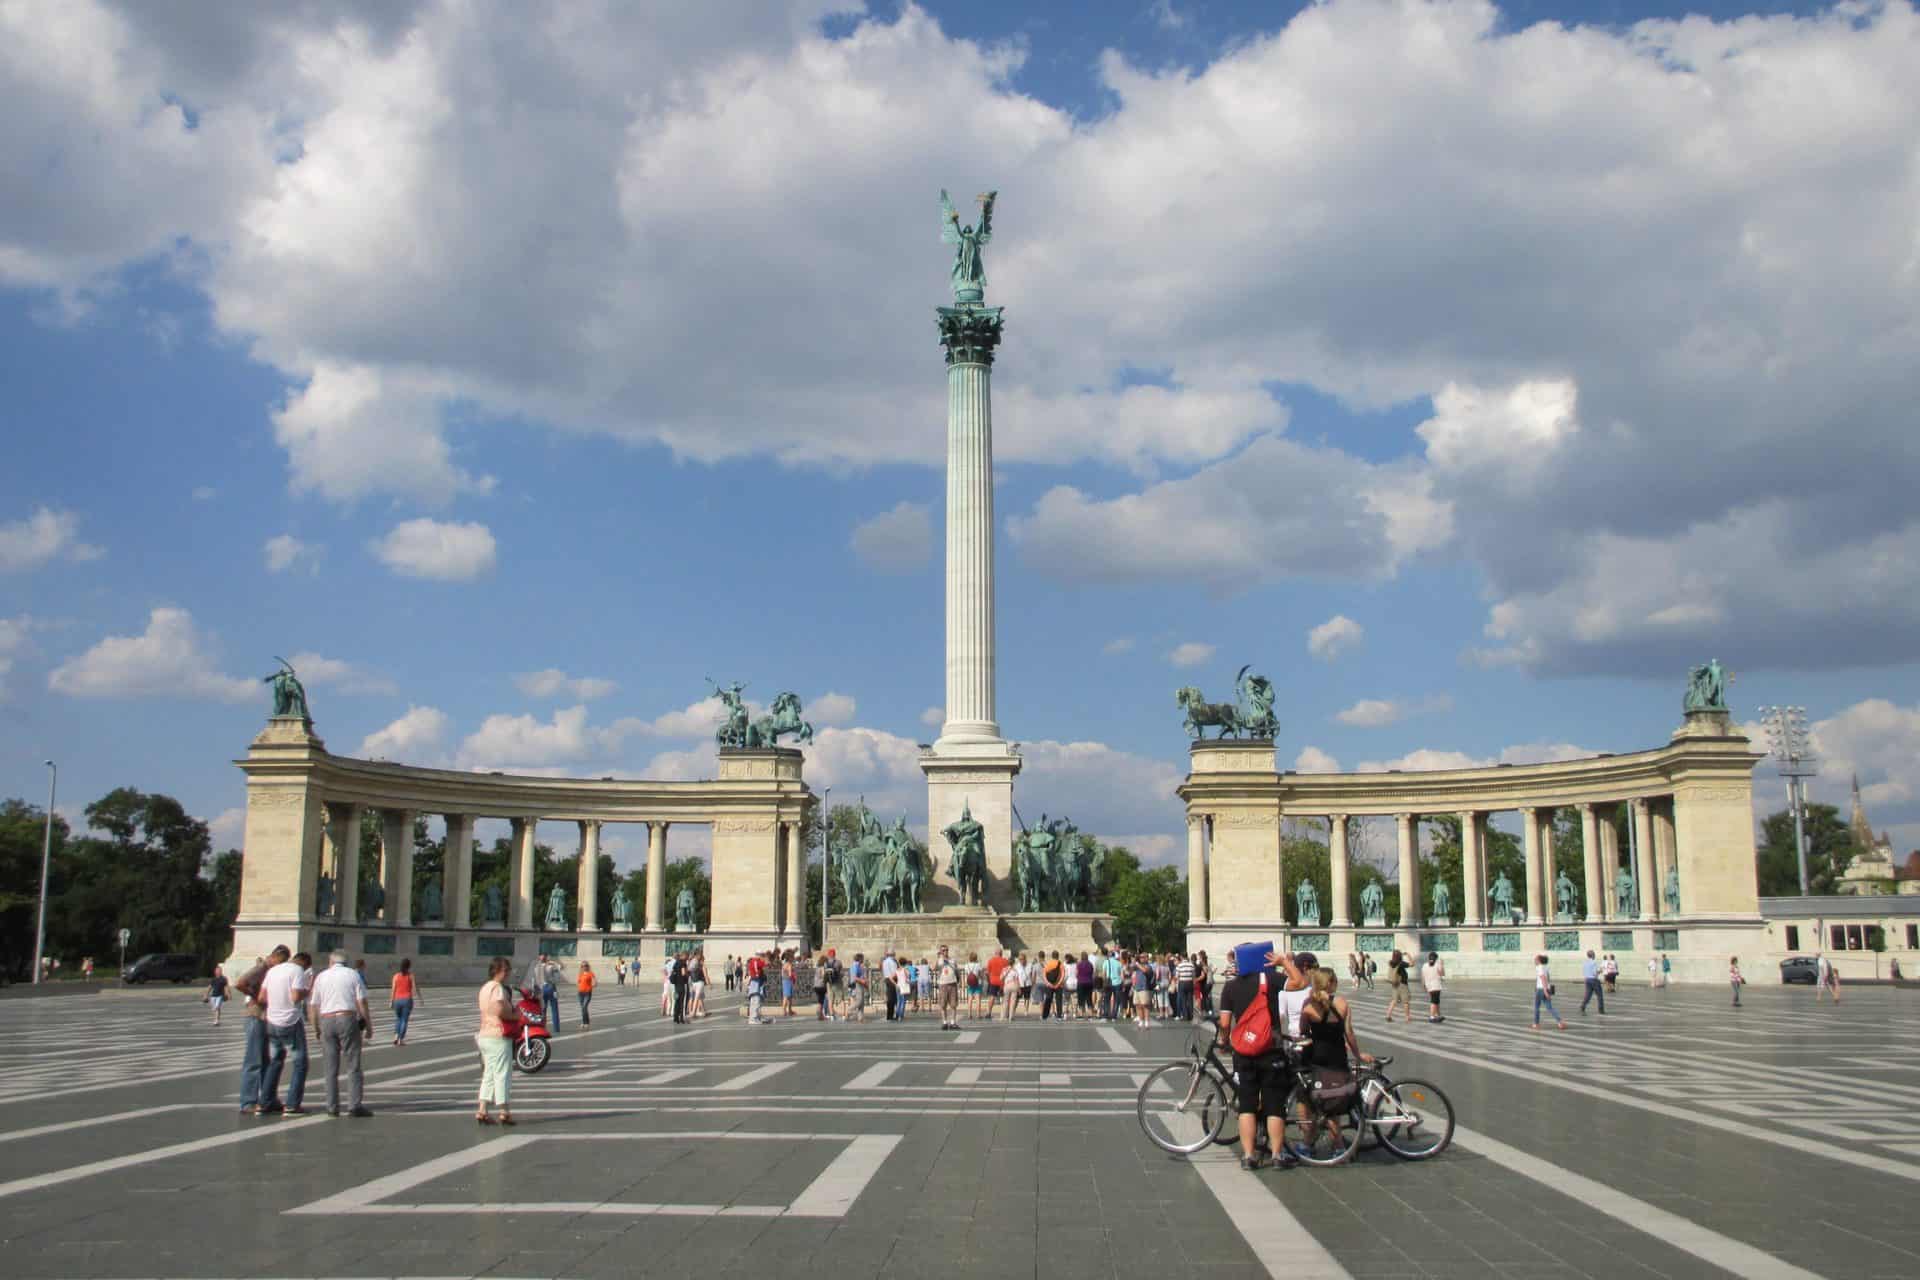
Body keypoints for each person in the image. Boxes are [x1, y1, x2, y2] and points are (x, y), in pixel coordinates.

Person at [1216, 947, 1310, 1170]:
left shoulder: (1230, 987)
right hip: (1271, 1049)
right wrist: (1284, 962)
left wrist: (1224, 1041)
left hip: (1244, 1052)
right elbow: (1300, 983)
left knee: (1247, 1104)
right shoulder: (1271, 978)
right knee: (1274, 1105)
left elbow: (1225, 1023)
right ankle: (1277, 1156)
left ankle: (1248, 1156)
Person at [1296, 966, 1373, 1158]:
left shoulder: (1308, 1005)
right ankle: (1338, 1146)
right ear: (1331, 983)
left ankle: (1310, 1143)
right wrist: (1357, 1054)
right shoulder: (1342, 1003)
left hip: (1317, 1059)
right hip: (1338, 1058)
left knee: (1313, 1100)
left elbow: (1303, 1033)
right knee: (1334, 1101)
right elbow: (1349, 1034)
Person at [310, 951, 374, 1118]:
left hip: (327, 1020)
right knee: (353, 1064)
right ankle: (354, 1105)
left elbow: (314, 1005)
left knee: (330, 1067)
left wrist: (315, 1027)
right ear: (346, 962)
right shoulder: (353, 974)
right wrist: (368, 1024)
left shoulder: (321, 976)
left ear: (330, 961)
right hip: (347, 1018)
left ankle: (332, 1107)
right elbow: (361, 1001)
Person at [259, 949, 313, 1114]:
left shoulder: (273, 971)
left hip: (272, 1020)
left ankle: (265, 1102)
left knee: (275, 1061)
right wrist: (307, 991)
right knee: (300, 1063)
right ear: (303, 964)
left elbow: (261, 998)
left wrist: (277, 1000)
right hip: (290, 1020)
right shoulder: (297, 971)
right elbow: (296, 996)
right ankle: (292, 1104)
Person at [235, 947, 286, 1114]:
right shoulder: (261, 968)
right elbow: (240, 982)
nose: (282, 965)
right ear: (274, 957)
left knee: (266, 1060)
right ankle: (248, 1101)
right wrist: (255, 996)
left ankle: (268, 1098)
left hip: (265, 1017)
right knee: (254, 1060)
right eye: (281, 961)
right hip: (255, 1016)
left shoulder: (270, 970)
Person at [474, 955, 515, 1125]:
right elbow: (500, 1011)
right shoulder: (498, 988)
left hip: (484, 1035)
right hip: (498, 1034)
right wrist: (515, 1016)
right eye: (506, 970)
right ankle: (504, 1111)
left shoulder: (484, 988)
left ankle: (482, 1109)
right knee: (502, 1073)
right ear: (499, 971)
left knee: (489, 1074)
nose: (508, 974)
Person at [1532, 954, 1566, 1030]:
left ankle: (1536, 1023)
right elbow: (1548, 979)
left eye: (1535, 959)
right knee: (1549, 1007)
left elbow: (1543, 978)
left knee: (1537, 1007)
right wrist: (1548, 989)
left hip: (1541, 989)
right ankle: (1560, 1022)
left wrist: (1545, 991)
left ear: (1539, 960)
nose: (1534, 961)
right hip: (1546, 988)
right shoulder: (1546, 967)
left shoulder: (1539, 967)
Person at [390, 959, 418, 1044]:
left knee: (398, 1018)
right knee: (404, 1020)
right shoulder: (411, 976)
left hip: (397, 1000)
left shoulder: (396, 976)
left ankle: (395, 1036)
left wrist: (391, 1001)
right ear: (409, 966)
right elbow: (414, 989)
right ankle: (400, 1039)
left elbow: (393, 990)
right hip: (407, 999)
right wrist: (414, 995)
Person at [1383, 950, 1412, 1022]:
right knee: (1406, 1001)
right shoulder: (1401, 963)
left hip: (1394, 984)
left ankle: (1388, 1015)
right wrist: (1408, 954)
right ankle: (1407, 1017)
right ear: (1400, 956)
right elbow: (1412, 964)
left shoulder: (1391, 962)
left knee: (1394, 1000)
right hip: (1402, 984)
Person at [937, 947, 961, 1029]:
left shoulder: (952, 960)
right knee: (943, 1005)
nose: (945, 952)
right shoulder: (939, 960)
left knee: (953, 1004)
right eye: (943, 950)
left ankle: (953, 1022)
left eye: (946, 950)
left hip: (952, 983)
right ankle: (944, 1023)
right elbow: (933, 968)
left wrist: (959, 980)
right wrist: (938, 958)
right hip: (943, 984)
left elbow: (957, 970)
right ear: (940, 951)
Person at [1420, 951, 1445, 1023]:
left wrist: (1423, 985)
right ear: (1436, 958)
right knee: (1434, 1001)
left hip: (1428, 986)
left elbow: (1422, 976)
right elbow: (1442, 974)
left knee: (1436, 1001)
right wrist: (1442, 965)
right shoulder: (1437, 965)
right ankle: (1432, 1016)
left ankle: (1438, 1015)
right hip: (1436, 986)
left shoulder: (1424, 965)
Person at [745, 951, 769, 1024]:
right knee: (755, 1001)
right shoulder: (756, 961)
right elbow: (766, 964)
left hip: (757, 982)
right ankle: (753, 1018)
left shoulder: (755, 961)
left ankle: (756, 1017)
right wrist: (765, 959)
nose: (763, 957)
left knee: (757, 1001)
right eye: (762, 955)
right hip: (755, 983)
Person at [1580, 950, 1606, 1015]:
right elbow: (1595, 973)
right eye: (1594, 954)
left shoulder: (1585, 962)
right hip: (1594, 980)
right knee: (1599, 995)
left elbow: (1584, 971)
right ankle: (1601, 1009)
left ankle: (1583, 1006)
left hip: (1587, 979)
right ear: (1593, 955)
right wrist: (1601, 970)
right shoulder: (1594, 962)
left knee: (1588, 995)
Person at [1041, 951, 1065, 1021]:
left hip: (1049, 985)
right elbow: (1063, 975)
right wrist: (1058, 984)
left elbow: (1044, 974)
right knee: (1059, 1000)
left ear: (1052, 956)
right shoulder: (1060, 964)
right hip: (1058, 985)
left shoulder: (1048, 964)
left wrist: (1048, 983)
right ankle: (1059, 1016)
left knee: (1048, 1000)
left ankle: (1044, 1016)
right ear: (1058, 956)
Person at [1174, 953, 1197, 1022]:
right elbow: (1193, 975)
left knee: (1183, 999)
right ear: (1187, 956)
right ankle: (1191, 1015)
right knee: (1190, 999)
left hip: (1182, 983)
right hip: (1189, 982)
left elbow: (1177, 976)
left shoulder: (1179, 965)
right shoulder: (1191, 965)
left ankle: (1186, 1015)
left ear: (1181, 957)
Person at [669, 953, 690, 1023]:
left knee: (676, 1001)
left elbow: (672, 972)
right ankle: (681, 1018)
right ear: (684, 956)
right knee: (682, 1002)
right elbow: (683, 973)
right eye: (687, 956)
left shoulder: (676, 963)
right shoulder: (683, 963)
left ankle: (675, 1017)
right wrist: (687, 974)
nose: (688, 957)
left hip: (676, 985)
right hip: (682, 985)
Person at [1075, 952, 1095, 1019]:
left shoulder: (1079, 964)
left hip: (1081, 982)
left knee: (1080, 998)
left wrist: (1079, 977)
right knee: (1089, 998)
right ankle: (1090, 1013)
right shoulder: (1090, 964)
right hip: (1089, 982)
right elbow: (1092, 973)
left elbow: (1076, 973)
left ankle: (1080, 1013)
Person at [849, 952, 868, 1021]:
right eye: (862, 958)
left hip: (860, 984)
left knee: (862, 1002)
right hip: (857, 984)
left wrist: (865, 983)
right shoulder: (855, 965)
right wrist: (862, 981)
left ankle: (860, 1017)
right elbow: (854, 977)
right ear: (860, 959)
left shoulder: (859, 965)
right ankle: (849, 1010)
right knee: (859, 1001)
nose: (863, 959)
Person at [688, 952, 707, 1018]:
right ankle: (699, 1012)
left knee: (695, 998)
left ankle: (693, 1012)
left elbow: (689, 971)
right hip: (697, 982)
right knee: (698, 998)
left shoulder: (695, 964)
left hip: (695, 982)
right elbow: (705, 975)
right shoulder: (698, 964)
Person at [576, 962, 596, 1027]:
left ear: (588, 966)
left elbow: (595, 981)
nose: (584, 967)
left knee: (584, 1007)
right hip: (580, 993)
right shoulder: (580, 974)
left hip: (587, 993)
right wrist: (579, 987)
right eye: (582, 966)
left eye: (585, 966)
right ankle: (585, 1022)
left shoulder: (590, 973)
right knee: (583, 1008)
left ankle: (585, 1022)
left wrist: (593, 985)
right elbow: (578, 982)